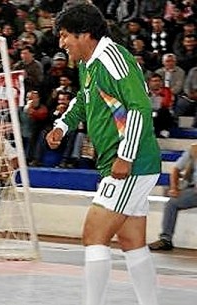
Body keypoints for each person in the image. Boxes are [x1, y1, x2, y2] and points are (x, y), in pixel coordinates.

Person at [47, 4, 161, 305]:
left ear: (85, 34)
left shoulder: (114, 58)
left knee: (93, 235)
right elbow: (83, 101)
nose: (62, 43)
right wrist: (62, 126)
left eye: (65, 35)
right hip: (129, 163)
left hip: (130, 163)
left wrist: (125, 156)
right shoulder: (88, 63)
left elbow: (139, 106)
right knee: (131, 241)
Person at [148, 143, 197, 251]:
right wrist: (174, 188)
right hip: (194, 191)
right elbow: (175, 169)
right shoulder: (194, 149)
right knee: (172, 203)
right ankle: (166, 239)